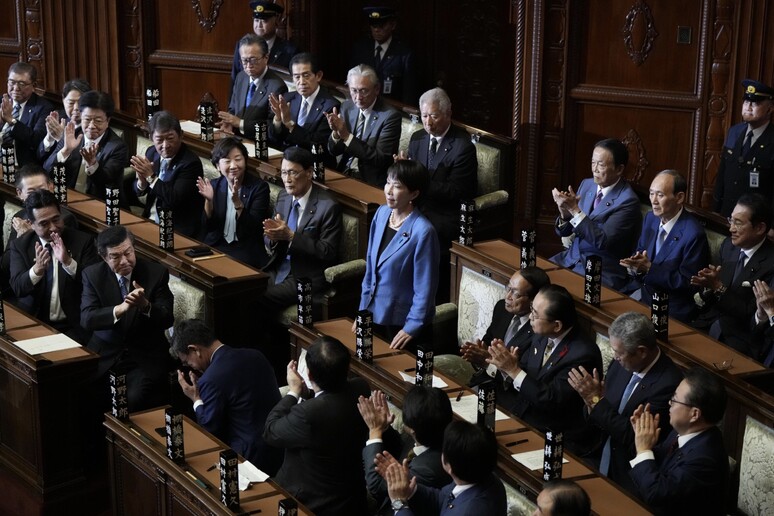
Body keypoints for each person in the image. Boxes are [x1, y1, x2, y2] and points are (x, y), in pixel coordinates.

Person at [567, 312, 683, 494]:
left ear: (642, 351)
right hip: (595, 452)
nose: (614, 357)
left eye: (619, 353)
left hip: (628, 473)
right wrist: (590, 402)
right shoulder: (622, 365)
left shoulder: (668, 384)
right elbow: (601, 409)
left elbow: (633, 436)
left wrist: (595, 401)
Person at [487, 284, 602, 455]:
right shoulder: (541, 334)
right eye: (531, 309)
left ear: (557, 325)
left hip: (556, 434)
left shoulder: (582, 355)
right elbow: (528, 374)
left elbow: (551, 400)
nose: (530, 317)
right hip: (523, 412)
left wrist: (513, 370)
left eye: (535, 314)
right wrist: (507, 365)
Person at [263, 336, 371, 516]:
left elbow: (270, 431)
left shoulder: (307, 414)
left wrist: (293, 392)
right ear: (347, 368)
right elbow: (331, 404)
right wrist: (309, 395)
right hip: (352, 500)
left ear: (309, 374)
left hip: (311, 504)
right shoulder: (361, 389)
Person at [170, 319, 282, 475]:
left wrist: (196, 399)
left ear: (194, 349)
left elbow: (210, 431)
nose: (191, 368)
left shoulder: (210, 379)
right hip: (280, 449)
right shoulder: (256, 355)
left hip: (248, 461)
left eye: (187, 362)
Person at [81, 225, 174, 411]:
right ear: (104, 257)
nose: (124, 261)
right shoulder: (92, 275)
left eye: (128, 252)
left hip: (143, 356)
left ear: (134, 248)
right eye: (115, 256)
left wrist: (146, 306)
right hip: (106, 354)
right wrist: (119, 309)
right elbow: (87, 319)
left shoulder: (156, 273)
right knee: (79, 393)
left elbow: (167, 319)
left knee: (132, 399)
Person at [357, 160, 439, 352]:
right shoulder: (381, 213)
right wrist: (362, 312)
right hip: (372, 313)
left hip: (401, 324)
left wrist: (412, 326)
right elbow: (370, 268)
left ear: (414, 194)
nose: (389, 191)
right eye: (388, 182)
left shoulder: (423, 232)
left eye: (397, 186)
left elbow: (425, 288)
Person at [406, 87, 477, 303]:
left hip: (444, 214)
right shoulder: (417, 138)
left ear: (448, 113)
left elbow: (457, 191)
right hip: (417, 205)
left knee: (421, 233)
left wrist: (418, 179)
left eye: (434, 116)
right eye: (424, 116)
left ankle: (426, 299)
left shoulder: (463, 147)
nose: (428, 123)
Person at [629, 367, 729, 515]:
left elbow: (657, 495)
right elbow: (657, 466)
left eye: (675, 400)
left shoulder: (705, 459)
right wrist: (642, 436)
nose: (669, 403)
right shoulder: (682, 431)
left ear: (694, 414)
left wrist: (643, 449)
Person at [550, 138, 641, 290]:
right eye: (593, 162)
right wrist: (565, 213)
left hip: (600, 270)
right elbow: (563, 232)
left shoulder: (628, 201)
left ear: (619, 169)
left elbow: (602, 241)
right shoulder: (587, 184)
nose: (595, 169)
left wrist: (574, 210)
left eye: (601, 165)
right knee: (532, 280)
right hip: (570, 258)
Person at [261, 146, 342, 316]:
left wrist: (291, 237)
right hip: (278, 267)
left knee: (260, 298)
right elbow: (268, 238)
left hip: (305, 276)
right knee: (244, 290)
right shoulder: (284, 196)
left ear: (309, 173)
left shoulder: (328, 206)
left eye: (293, 173)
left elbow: (328, 251)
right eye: (284, 173)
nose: (287, 179)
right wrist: (274, 237)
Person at [8, 190, 98, 343]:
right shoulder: (21, 245)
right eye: (44, 223)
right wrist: (37, 270)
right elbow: (18, 288)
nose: (53, 227)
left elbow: (95, 284)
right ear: (31, 224)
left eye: (56, 219)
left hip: (73, 325)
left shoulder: (83, 242)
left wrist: (68, 262)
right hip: (33, 321)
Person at [620, 170, 709, 322]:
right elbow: (641, 252)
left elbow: (689, 283)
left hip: (671, 307)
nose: (653, 200)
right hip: (644, 294)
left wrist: (650, 268)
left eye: (660, 195)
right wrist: (635, 265)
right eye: (651, 193)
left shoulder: (693, 234)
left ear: (679, 197)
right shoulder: (650, 218)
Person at [691, 193, 774, 358]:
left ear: (760, 228)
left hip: (740, 339)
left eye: (738, 223)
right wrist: (707, 287)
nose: (731, 228)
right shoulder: (728, 246)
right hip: (708, 323)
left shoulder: (770, 262)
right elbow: (713, 290)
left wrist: (718, 287)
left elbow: (750, 313)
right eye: (731, 220)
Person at [377, 420, 507, 516]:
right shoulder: (484, 476)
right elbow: (442, 499)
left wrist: (399, 503)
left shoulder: (468, 511)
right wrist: (410, 489)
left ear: (449, 466)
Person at [359, 387, 452, 515]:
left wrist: (375, 431)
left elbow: (377, 486)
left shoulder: (426, 470)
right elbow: (400, 450)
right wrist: (384, 428)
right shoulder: (429, 433)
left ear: (413, 430)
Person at [462, 266, 551, 386]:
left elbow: (525, 378)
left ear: (534, 300)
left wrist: (488, 363)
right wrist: (479, 352)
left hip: (509, 392)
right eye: (508, 288)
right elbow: (488, 342)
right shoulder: (501, 309)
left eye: (515, 293)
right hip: (483, 382)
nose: (508, 296)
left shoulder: (539, 330)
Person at [0, 164, 79, 293]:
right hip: (23, 287)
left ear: (51, 187)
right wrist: (21, 238)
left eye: (42, 189)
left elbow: (56, 265)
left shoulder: (64, 219)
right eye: (31, 192)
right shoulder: (20, 217)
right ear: (19, 193)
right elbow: (5, 266)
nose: (38, 195)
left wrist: (29, 234)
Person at [42, 90, 128, 203]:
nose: (91, 126)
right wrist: (66, 150)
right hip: (68, 198)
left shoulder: (117, 147)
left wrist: (92, 164)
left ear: (108, 121)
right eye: (87, 119)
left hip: (101, 204)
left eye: (98, 121)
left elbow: (107, 183)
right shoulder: (72, 134)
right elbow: (47, 169)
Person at [197, 137, 270, 268]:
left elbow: (254, 229)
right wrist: (209, 201)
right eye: (227, 161)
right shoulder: (214, 185)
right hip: (217, 244)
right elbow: (207, 227)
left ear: (245, 161)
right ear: (218, 166)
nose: (233, 166)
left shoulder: (259, 188)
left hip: (245, 248)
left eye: (238, 159)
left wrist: (238, 203)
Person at [131, 111, 204, 238]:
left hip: (177, 228)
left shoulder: (191, 163)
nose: (165, 146)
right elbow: (139, 190)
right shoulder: (151, 153)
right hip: (150, 219)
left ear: (181, 135)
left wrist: (151, 177)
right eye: (159, 140)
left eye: (170, 138)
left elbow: (173, 199)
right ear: (151, 138)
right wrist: (141, 183)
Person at [327, 64, 401, 187]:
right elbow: (333, 151)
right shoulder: (347, 107)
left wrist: (346, 136)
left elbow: (381, 159)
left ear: (376, 89)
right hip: (343, 172)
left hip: (369, 181)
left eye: (364, 91)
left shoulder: (390, 116)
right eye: (354, 90)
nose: (358, 97)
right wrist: (336, 134)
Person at [713, 79, 774, 217]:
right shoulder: (734, 131)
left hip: (756, 219)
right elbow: (722, 175)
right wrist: (716, 211)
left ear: (770, 109)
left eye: (755, 103)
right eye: (746, 102)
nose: (748, 107)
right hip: (727, 213)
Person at [268, 53, 340, 168]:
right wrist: (277, 120)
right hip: (286, 161)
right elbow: (274, 138)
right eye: (297, 77)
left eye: (306, 76)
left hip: (315, 165)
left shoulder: (331, 106)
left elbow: (319, 144)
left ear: (318, 76)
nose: (301, 82)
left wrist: (290, 124)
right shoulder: (287, 98)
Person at [222, 33, 287, 139]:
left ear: (266, 57)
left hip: (260, 143)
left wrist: (240, 123)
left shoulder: (277, 87)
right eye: (244, 60)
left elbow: (272, 127)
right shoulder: (241, 77)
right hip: (236, 139)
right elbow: (233, 108)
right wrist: (228, 122)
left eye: (253, 60)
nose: (248, 66)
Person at [349, 7, 417, 105]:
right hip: (363, 105)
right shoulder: (361, 48)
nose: (377, 30)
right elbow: (351, 80)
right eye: (374, 25)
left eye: (381, 25)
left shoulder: (404, 54)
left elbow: (408, 93)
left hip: (391, 108)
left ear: (393, 25)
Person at [230, 0, 298, 83]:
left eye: (264, 21)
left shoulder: (290, 50)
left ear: (276, 21)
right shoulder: (242, 45)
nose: (259, 25)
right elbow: (235, 79)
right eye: (256, 20)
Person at [1, 62, 53, 167]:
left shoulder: (43, 108)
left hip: (22, 167)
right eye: (12, 82)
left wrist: (11, 121)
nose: (16, 88)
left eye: (22, 84)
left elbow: (36, 140)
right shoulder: (2, 102)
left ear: (34, 86)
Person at [38, 78, 91, 164]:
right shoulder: (58, 119)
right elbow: (39, 157)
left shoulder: (92, 128)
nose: (76, 108)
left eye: (80, 103)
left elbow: (77, 164)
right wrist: (49, 138)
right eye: (71, 103)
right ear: (63, 101)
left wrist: (61, 139)